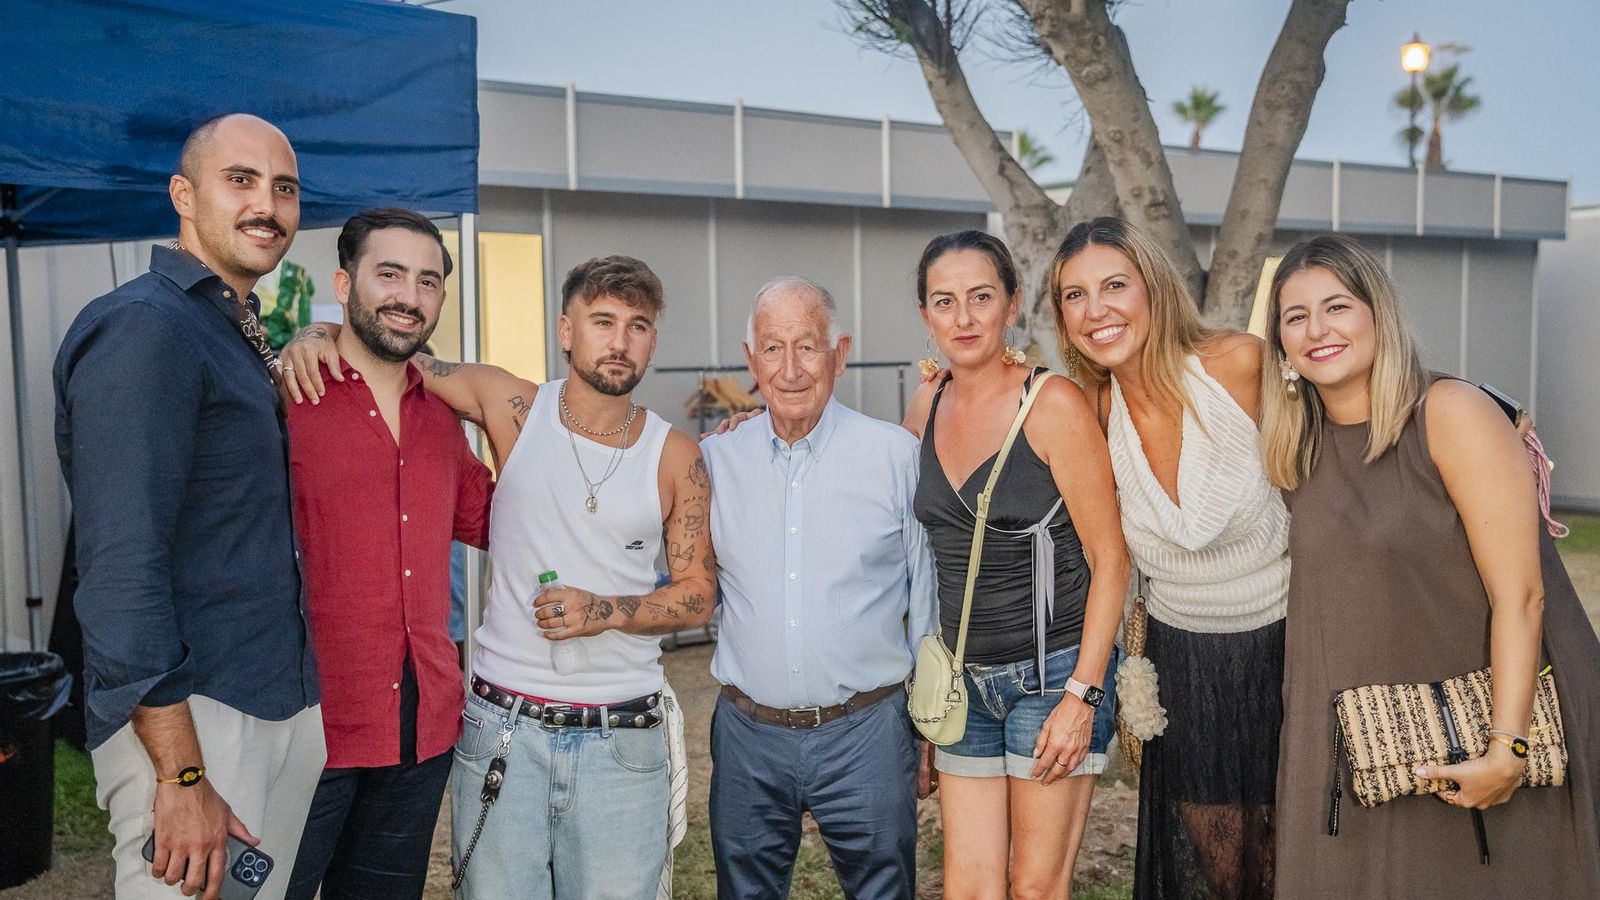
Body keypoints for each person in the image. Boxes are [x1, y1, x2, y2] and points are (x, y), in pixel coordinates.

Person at [281, 254, 715, 899]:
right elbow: (392, 353)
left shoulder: (676, 454)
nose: (619, 341)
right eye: (602, 321)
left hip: (621, 735)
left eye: (638, 325)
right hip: (502, 727)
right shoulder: (512, 405)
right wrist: (314, 334)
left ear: (653, 339)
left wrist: (609, 610)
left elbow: (698, 593)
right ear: (566, 330)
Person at [1263, 234, 1600, 896]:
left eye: (1338, 306)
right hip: (1364, 741)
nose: (1317, 329)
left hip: (1484, 721)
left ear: (1379, 317)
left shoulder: (1451, 413)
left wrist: (1509, 747)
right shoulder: (1295, 448)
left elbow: (1523, 596)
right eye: (1295, 316)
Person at [53, 114, 322, 900]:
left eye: (284, 188)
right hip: (195, 720)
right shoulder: (147, 328)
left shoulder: (230, 328)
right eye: (240, 181)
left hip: (270, 696)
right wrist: (183, 771)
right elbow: (120, 568)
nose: (266, 205)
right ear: (183, 194)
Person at [1050, 217, 1286, 899]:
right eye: (1074, 296)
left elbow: (1357, 393)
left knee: (1285, 859)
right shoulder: (1092, 408)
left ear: (1153, 287)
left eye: (1114, 285)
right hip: (1184, 668)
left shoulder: (1237, 363)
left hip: (1286, 653)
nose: (1097, 311)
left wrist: (1479, 406)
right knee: (1213, 867)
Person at [900, 230, 1129, 898]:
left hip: (1053, 674)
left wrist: (1083, 694)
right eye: (945, 301)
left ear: (1012, 304)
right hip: (961, 681)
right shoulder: (926, 406)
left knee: (1033, 887)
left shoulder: (1052, 403)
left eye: (980, 297)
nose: (963, 317)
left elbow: (1110, 558)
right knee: (969, 887)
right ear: (926, 316)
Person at [700, 277, 938, 899]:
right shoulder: (713, 463)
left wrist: (928, 727)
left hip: (868, 731)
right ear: (750, 361)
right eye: (772, 349)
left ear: (840, 352)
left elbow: (927, 600)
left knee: (883, 889)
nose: (790, 369)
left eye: (808, 346)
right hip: (749, 733)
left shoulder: (894, 456)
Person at [279, 210, 493, 900]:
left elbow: (495, 522)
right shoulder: (287, 397)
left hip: (420, 730)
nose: (409, 296)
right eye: (390, 274)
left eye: (427, 281)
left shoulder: (441, 415)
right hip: (307, 727)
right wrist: (300, 339)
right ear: (345, 282)